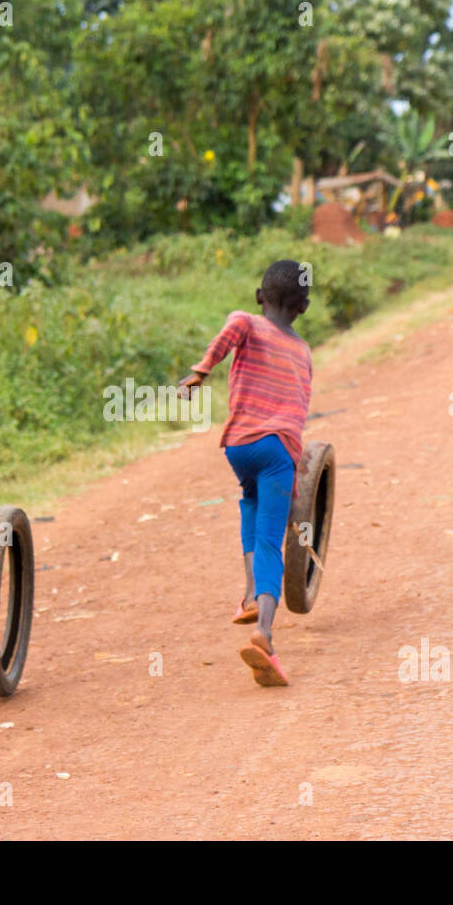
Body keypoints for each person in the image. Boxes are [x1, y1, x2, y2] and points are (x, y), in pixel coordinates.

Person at [178, 261, 312, 687]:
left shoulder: (246, 320)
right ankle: (265, 635)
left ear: (260, 295)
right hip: (277, 452)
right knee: (272, 539)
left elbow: (226, 336)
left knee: (251, 508)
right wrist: (295, 479)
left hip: (239, 447)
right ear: (303, 307)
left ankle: (251, 596)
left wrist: (201, 372)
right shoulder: (303, 353)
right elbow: (297, 414)